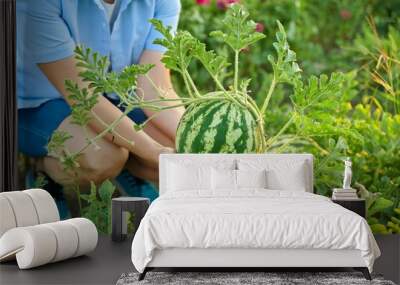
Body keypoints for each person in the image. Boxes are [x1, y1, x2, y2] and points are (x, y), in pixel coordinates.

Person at [16, 0, 184, 213]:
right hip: (39, 104)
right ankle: (46, 176)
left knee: (178, 144)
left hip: (112, 98)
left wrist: (193, 141)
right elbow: (83, 96)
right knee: (102, 156)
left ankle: (124, 171)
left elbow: (155, 86)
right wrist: (155, 152)